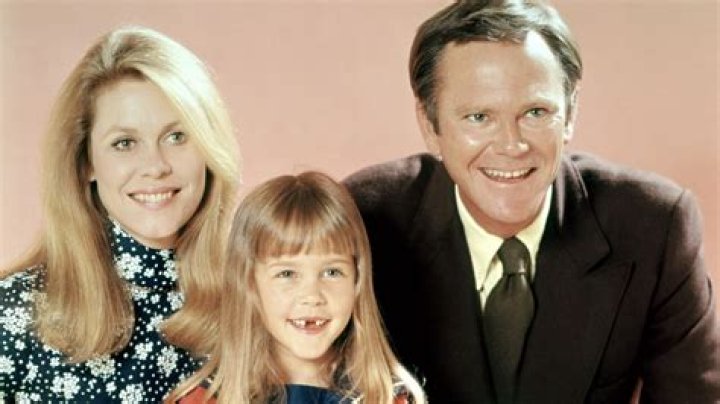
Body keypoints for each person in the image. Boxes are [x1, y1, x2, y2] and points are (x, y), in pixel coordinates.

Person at [344, 1, 720, 403]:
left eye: (536, 112)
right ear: (429, 125)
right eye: (478, 117)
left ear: (570, 113)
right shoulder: (364, 219)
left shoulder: (654, 225)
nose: (511, 145)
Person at [0, 26, 240, 402]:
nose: (155, 166)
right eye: (124, 143)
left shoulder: (259, 304)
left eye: (177, 137)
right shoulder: (15, 312)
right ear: (86, 163)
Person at [169, 172, 425, 404]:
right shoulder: (204, 399)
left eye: (332, 272)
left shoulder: (388, 396)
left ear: (357, 279)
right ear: (249, 283)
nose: (312, 296)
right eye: (287, 274)